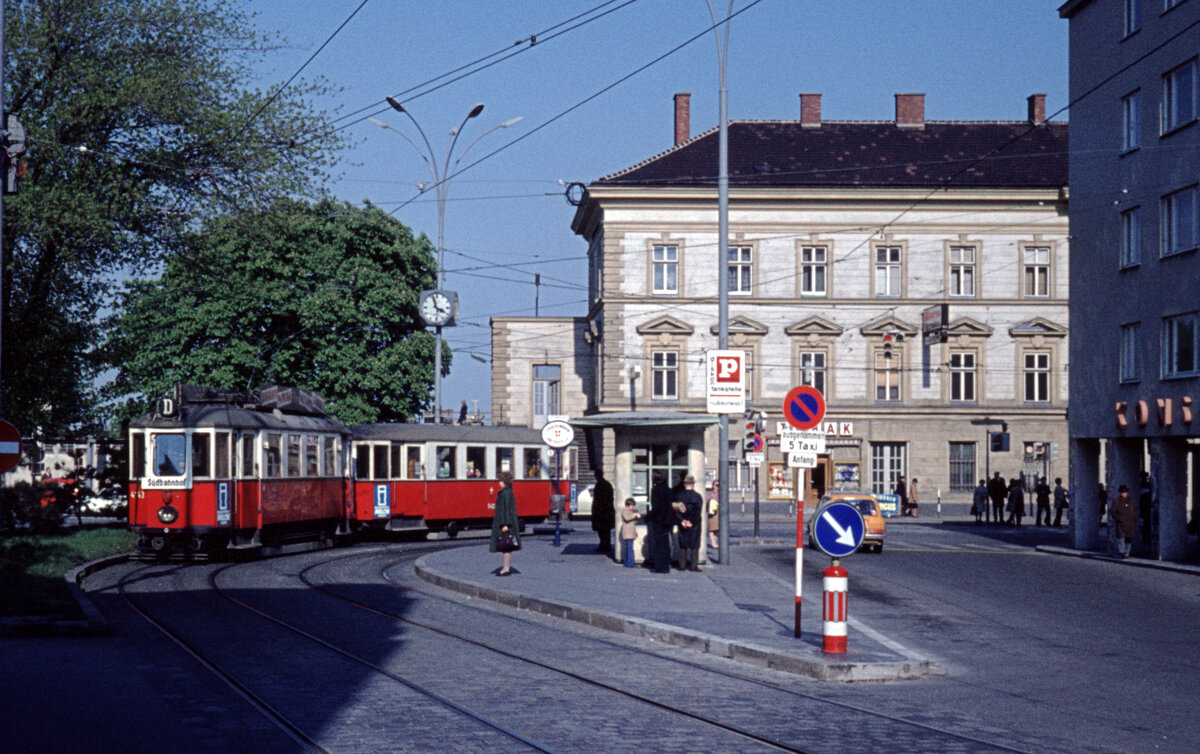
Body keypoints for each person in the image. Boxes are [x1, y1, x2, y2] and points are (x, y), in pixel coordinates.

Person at [489, 471, 520, 576]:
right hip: (507, 522)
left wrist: (504, 524)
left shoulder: (505, 493)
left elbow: (505, 509)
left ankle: (506, 569)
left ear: (504, 481)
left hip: (505, 523)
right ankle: (506, 567)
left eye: (500, 480)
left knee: (506, 546)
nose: (498, 482)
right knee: (507, 546)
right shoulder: (508, 491)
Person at [674, 475, 704, 572]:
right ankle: (693, 565)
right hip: (694, 524)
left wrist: (682, 521)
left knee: (683, 545)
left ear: (684, 484)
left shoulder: (679, 495)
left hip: (682, 523)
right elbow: (697, 511)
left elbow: (676, 511)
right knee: (694, 544)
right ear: (693, 484)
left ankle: (682, 565)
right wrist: (691, 522)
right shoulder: (697, 497)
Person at [647, 471, 673, 573]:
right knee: (665, 543)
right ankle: (666, 565)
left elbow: (656, 507)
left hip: (658, 520)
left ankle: (660, 566)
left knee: (658, 544)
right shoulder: (668, 489)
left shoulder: (655, 489)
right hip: (667, 520)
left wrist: (648, 516)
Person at [1110, 484, 1138, 558]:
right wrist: (1118, 518)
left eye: (1125, 492)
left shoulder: (1131, 501)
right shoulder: (1116, 501)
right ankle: (1122, 551)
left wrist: (1134, 517)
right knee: (1121, 538)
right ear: (1120, 493)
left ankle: (1127, 552)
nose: (1124, 494)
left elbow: (1135, 510)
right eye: (1123, 492)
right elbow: (1113, 511)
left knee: (1129, 538)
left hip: (1130, 523)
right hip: (1121, 523)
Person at [591, 470, 615, 554]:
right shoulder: (607, 484)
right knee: (604, 530)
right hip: (606, 510)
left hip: (602, 511)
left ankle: (605, 545)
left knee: (603, 530)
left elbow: (599, 499)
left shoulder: (601, 485)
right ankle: (604, 545)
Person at [619, 498, 641, 567]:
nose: (633, 507)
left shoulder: (630, 512)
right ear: (629, 505)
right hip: (628, 534)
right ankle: (631, 563)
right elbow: (627, 518)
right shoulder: (625, 511)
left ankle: (627, 562)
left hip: (630, 533)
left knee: (629, 549)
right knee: (629, 549)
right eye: (632, 506)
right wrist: (634, 515)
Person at [1139, 472, 1152, 546]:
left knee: (1147, 524)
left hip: (1146, 508)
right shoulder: (1143, 486)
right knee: (1145, 524)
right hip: (1144, 508)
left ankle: (1146, 537)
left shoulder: (1147, 486)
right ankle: (1145, 537)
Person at [706, 481, 720, 550]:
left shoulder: (720, 493)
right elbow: (706, 502)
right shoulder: (710, 494)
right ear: (713, 486)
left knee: (716, 529)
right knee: (712, 528)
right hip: (712, 513)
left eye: (719, 485)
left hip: (719, 512)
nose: (718, 487)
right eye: (716, 485)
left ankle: (715, 542)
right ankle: (713, 543)